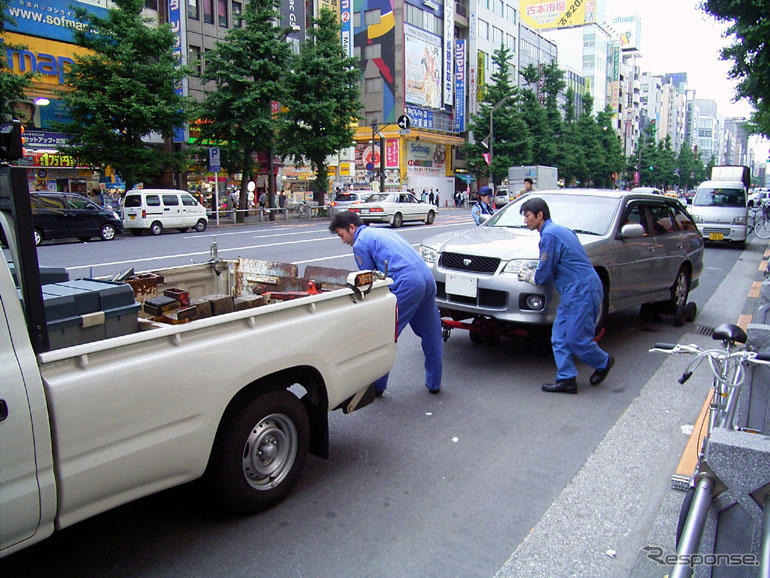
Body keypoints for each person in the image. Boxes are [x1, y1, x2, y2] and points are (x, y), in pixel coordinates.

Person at [329, 211, 442, 396]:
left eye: (342, 235)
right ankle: (434, 382)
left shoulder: (360, 243)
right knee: (432, 334)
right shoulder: (382, 232)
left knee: (385, 335)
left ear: (352, 228)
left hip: (408, 283)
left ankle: (377, 386)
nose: (343, 241)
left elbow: (368, 282)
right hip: (427, 278)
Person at [518, 197, 614, 394]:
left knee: (576, 339)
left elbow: (545, 272)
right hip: (574, 291)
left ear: (540, 215)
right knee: (559, 337)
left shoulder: (549, 235)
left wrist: (531, 277)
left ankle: (603, 361)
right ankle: (566, 379)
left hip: (581, 291)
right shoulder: (561, 230)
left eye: (527, 216)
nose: (525, 220)